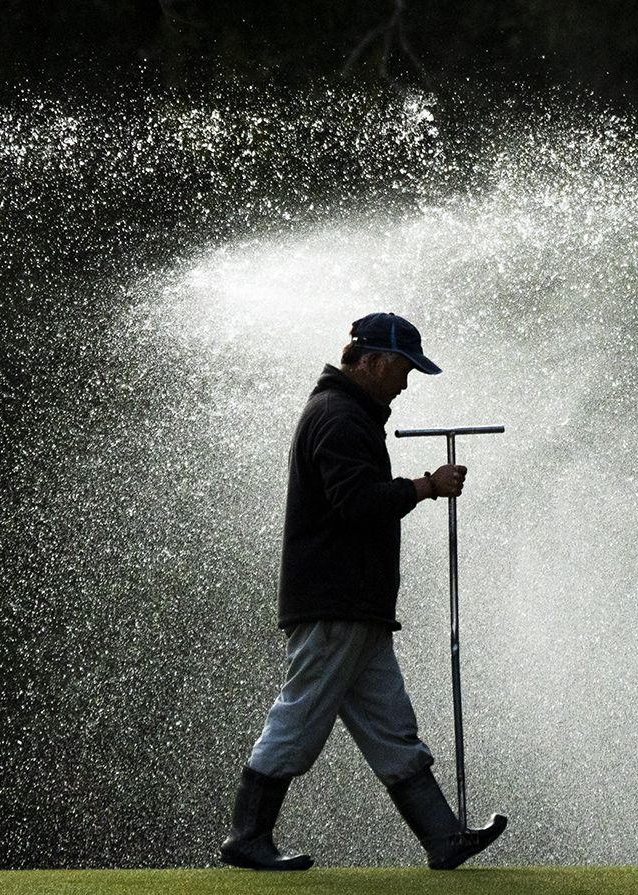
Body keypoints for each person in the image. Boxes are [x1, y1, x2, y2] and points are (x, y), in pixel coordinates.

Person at [219, 312, 508, 872]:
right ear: (371, 361)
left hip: (356, 606)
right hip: (337, 602)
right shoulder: (339, 416)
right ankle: (246, 836)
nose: (406, 382)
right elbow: (354, 501)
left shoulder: (347, 413)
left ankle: (443, 839)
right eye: (402, 368)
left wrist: (417, 488)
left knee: (391, 727)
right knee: (298, 718)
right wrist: (425, 487)